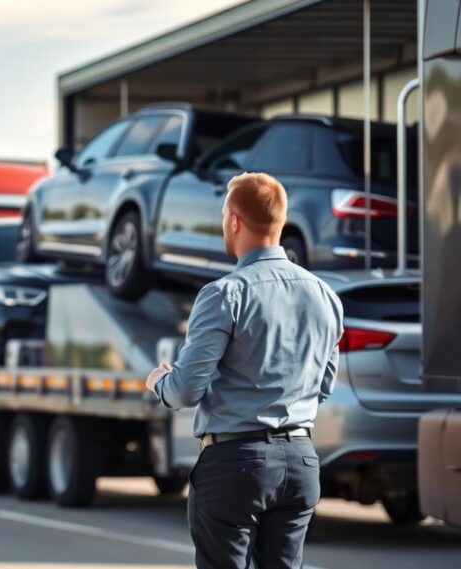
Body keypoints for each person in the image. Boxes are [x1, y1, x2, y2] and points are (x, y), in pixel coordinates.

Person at [146, 172, 343, 569]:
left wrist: (159, 382)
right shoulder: (325, 295)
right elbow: (323, 386)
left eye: (223, 215)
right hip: (301, 462)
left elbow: (185, 391)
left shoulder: (224, 294)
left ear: (235, 221)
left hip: (235, 463)